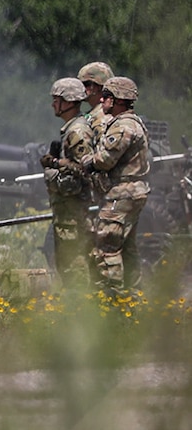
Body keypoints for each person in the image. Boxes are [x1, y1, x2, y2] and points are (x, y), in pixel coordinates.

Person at [78, 76, 152, 295]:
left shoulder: (123, 127)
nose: (102, 100)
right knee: (127, 249)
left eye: (107, 96)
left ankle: (112, 300)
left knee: (106, 248)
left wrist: (87, 161)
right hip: (131, 193)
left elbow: (104, 160)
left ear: (119, 100)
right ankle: (133, 297)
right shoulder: (132, 123)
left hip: (121, 194)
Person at [39, 77, 95, 289]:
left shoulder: (77, 133)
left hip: (74, 216)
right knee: (68, 268)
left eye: (57, 99)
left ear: (69, 101)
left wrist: (52, 174)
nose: (53, 104)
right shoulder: (72, 130)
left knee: (75, 268)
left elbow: (85, 174)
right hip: (68, 215)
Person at [77, 61, 114, 139]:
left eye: (86, 84)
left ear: (99, 87)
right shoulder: (93, 114)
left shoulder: (104, 115)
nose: (82, 88)